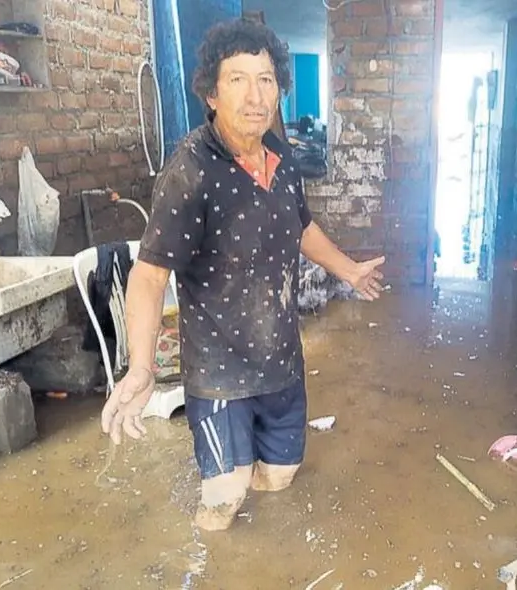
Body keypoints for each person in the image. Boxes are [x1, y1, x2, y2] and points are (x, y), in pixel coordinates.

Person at [100, 19, 386, 531]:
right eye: (237, 80)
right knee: (224, 504)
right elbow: (148, 277)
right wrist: (141, 366)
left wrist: (350, 271)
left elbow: (300, 225)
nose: (255, 96)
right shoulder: (189, 171)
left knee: (279, 480)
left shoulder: (281, 157)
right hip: (219, 375)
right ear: (211, 93)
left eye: (267, 79)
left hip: (281, 361)